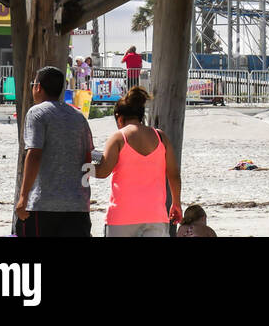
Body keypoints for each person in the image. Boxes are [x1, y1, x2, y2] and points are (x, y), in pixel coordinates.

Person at [16, 65, 95, 237]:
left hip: (43, 204)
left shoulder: (37, 113)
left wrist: (23, 197)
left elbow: (34, 155)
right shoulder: (78, 117)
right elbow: (88, 159)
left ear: (38, 87)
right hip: (78, 205)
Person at [93, 85, 182, 237]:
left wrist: (84, 165)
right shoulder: (161, 137)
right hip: (155, 216)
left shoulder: (119, 137)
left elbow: (103, 172)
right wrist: (176, 203)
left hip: (122, 217)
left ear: (119, 118)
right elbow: (173, 174)